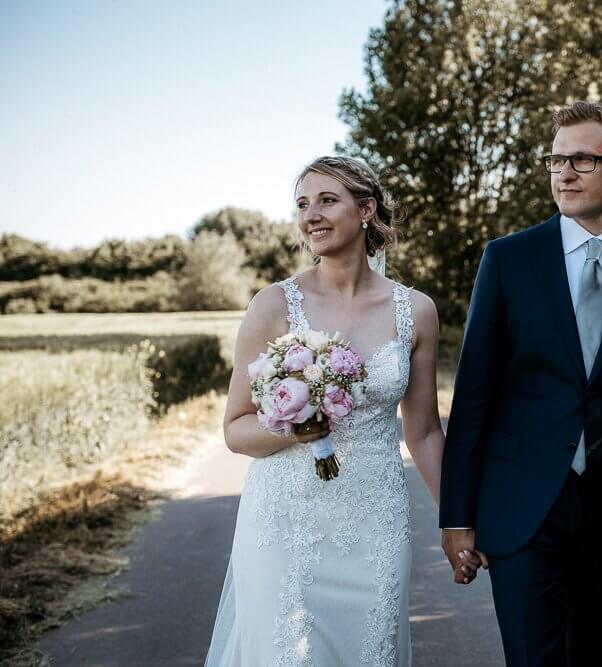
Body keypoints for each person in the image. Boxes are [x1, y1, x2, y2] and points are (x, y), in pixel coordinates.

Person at [439, 101, 602, 666]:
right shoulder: (509, 260)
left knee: (592, 656)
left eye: (583, 160)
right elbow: (473, 400)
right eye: (557, 160)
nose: (565, 173)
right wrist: (457, 517)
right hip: (520, 509)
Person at [205, 156, 477, 666]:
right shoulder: (273, 305)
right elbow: (236, 429)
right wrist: (296, 426)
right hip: (283, 523)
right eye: (303, 204)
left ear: (367, 210)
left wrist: (456, 519)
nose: (312, 215)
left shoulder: (415, 310)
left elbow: (423, 434)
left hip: (375, 519)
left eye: (328, 200)